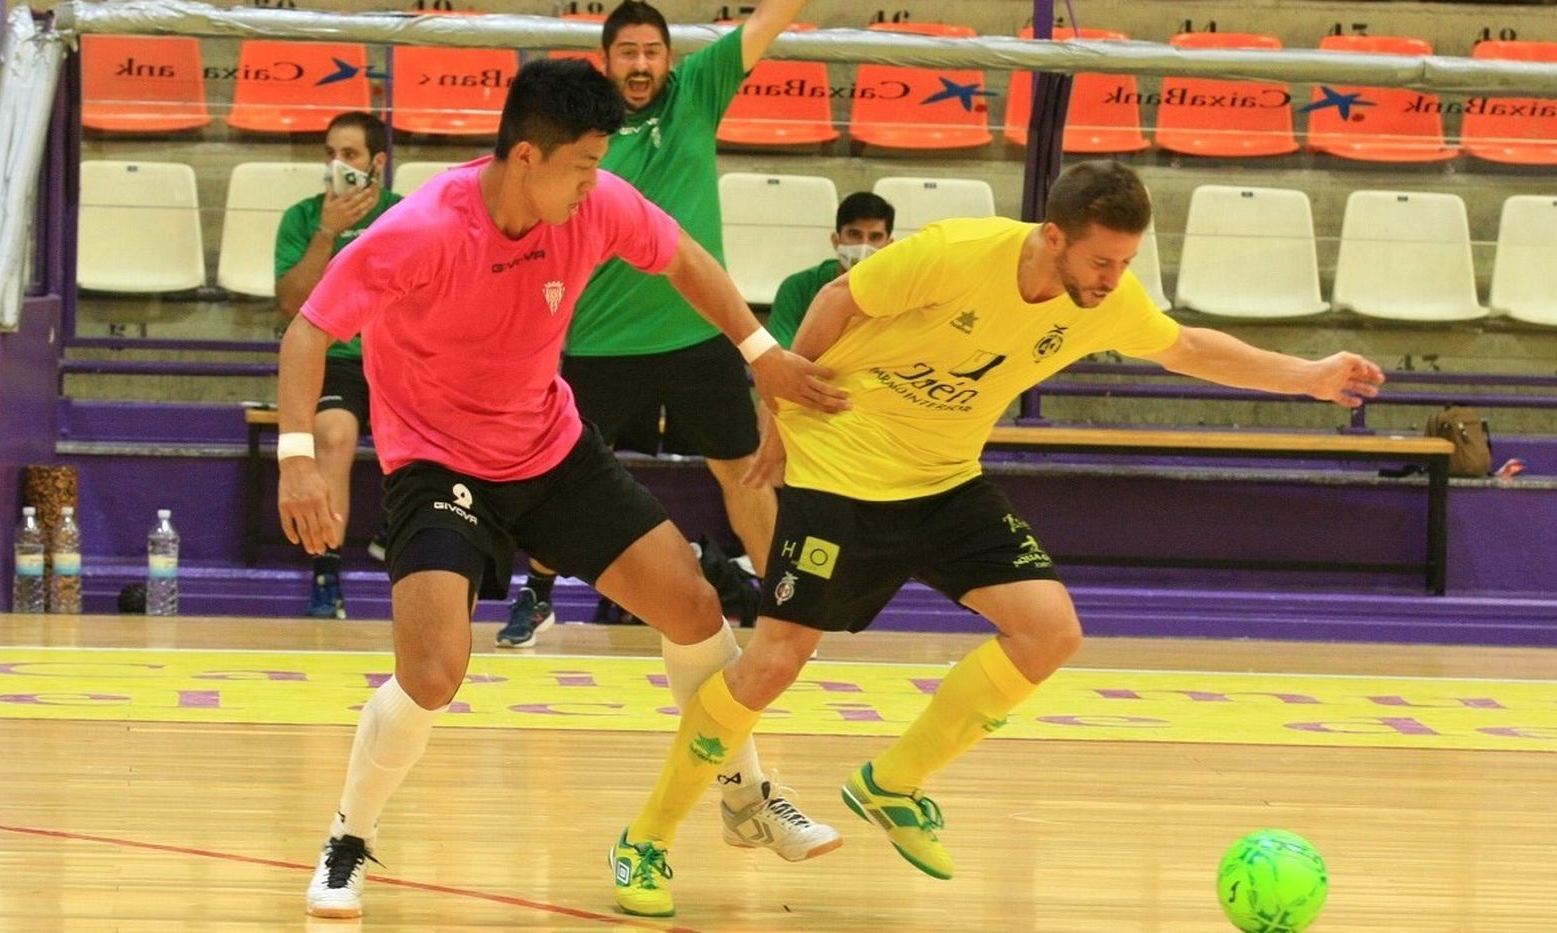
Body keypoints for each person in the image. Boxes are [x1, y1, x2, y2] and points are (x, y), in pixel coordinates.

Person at [609, 160, 1386, 915]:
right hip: (841, 466)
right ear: (1054, 236)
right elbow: (843, 296)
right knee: (776, 659)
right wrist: (782, 413)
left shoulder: (1101, 301)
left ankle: (893, 782)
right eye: (1102, 260)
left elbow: (1185, 347)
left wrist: (1308, 375)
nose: (1113, 278)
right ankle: (648, 836)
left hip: (943, 479)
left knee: (1049, 630)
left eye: (1125, 262)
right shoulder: (957, 252)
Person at [277, 59, 847, 920]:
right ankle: (349, 835)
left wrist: (762, 355)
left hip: (550, 448)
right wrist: (296, 457)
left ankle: (746, 795)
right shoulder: (424, 227)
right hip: (438, 463)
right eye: (583, 164)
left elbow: (685, 258)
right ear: (525, 158)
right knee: (432, 674)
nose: (596, 182)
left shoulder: (596, 203)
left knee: (695, 607)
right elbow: (309, 328)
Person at [497, 0, 811, 650]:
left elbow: (770, 19)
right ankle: (540, 594)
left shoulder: (698, 88)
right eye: (627, 53)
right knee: (558, 470)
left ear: (670, 59)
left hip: (699, 336)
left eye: (651, 52)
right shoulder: (575, 127)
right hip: (600, 340)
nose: (640, 65)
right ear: (605, 61)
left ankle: (787, 609)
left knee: (744, 469)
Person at [274, 111, 403, 619]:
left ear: (377, 163)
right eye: (329, 153)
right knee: (334, 435)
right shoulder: (303, 218)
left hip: (398, 358)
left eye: (349, 155)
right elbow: (291, 303)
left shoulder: (403, 215)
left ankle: (397, 528)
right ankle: (326, 573)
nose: (336, 165)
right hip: (337, 359)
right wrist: (328, 232)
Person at [769, 191, 895, 350]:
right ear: (836, 240)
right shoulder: (797, 287)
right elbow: (781, 357)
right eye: (854, 234)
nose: (864, 245)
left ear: (889, 246)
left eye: (875, 237)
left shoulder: (901, 293)